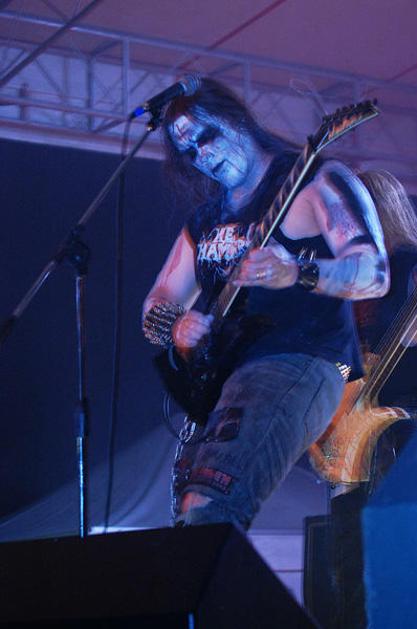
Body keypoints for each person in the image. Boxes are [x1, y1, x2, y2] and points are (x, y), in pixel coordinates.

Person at [142, 78, 389, 530]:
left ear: (236, 119)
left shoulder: (314, 179)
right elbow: (157, 303)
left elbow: (375, 273)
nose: (202, 154)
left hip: (297, 360)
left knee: (211, 505)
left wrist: (298, 272)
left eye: (207, 136)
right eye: (190, 152)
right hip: (225, 380)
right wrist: (176, 326)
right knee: (191, 513)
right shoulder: (206, 220)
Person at [329, 170, 417, 629]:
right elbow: (336, 353)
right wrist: (347, 378)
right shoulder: (347, 278)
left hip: (403, 421)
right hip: (352, 434)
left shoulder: (408, 265)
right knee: (349, 556)